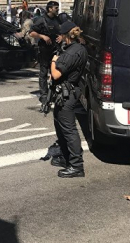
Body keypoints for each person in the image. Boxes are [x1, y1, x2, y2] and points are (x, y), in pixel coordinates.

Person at [49, 20, 88, 178]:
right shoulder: (79, 48)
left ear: (66, 36)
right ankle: (67, 158)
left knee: (69, 130)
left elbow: (56, 74)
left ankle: (76, 166)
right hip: (68, 92)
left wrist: (53, 60)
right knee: (60, 125)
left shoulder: (71, 52)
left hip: (67, 93)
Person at [29, 1, 62, 106]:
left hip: (56, 50)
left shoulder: (59, 19)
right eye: (55, 7)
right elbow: (31, 33)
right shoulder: (41, 20)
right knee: (43, 73)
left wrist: (62, 37)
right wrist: (42, 36)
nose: (57, 9)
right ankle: (44, 95)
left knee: (56, 73)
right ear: (50, 9)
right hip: (44, 50)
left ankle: (55, 93)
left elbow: (66, 31)